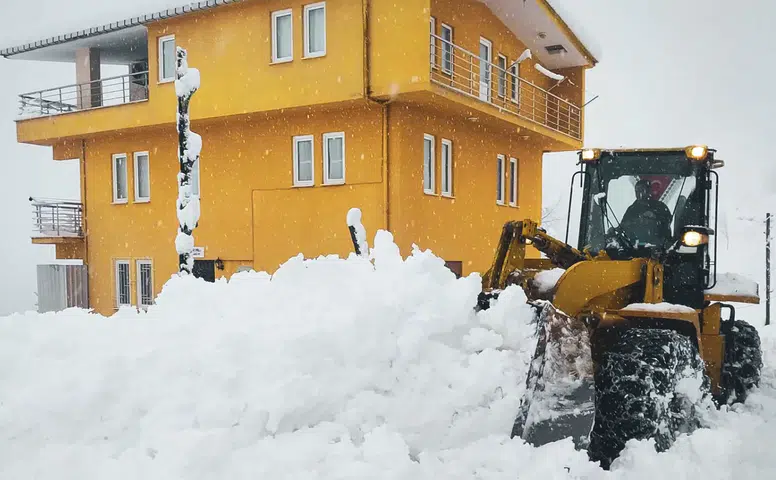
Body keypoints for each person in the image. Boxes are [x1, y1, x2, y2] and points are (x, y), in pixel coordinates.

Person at [619, 179, 673, 247]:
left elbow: (668, 220)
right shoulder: (632, 209)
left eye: (642, 190)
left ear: (649, 191)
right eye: (637, 191)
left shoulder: (660, 206)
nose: (639, 193)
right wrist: (637, 221)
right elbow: (623, 226)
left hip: (659, 247)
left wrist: (654, 216)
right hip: (636, 249)